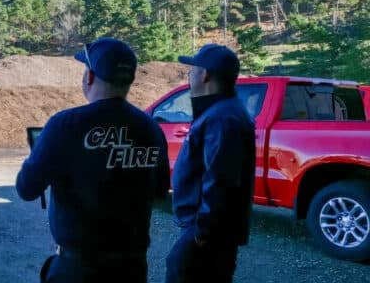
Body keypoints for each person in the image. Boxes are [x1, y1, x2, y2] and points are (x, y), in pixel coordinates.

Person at [16, 37, 170, 283]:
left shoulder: (64, 124)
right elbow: (160, 191)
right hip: (132, 268)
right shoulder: (151, 128)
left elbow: (26, 188)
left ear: (89, 76)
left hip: (78, 269)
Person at [166, 43, 256, 283]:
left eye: (192, 69)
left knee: (181, 271)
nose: (188, 74)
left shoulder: (223, 117)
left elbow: (220, 181)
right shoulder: (221, 111)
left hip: (209, 236)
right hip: (210, 233)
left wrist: (201, 234)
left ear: (205, 74)